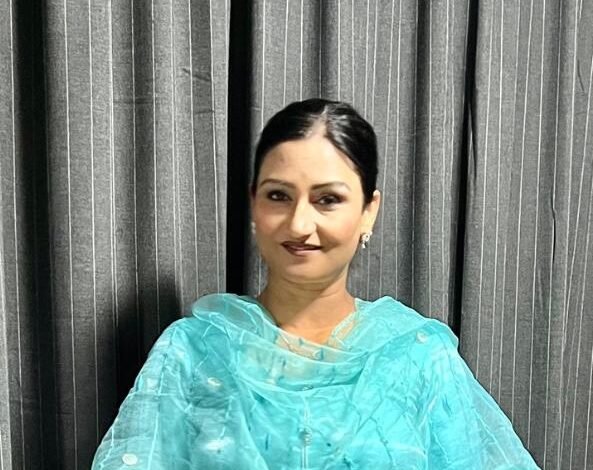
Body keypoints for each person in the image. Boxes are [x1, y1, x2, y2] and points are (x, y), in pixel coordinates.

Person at [92, 99, 539, 469]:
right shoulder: (195, 352)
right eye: (278, 196)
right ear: (253, 205)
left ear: (368, 211)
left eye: (328, 199)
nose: (299, 224)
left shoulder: (416, 358)